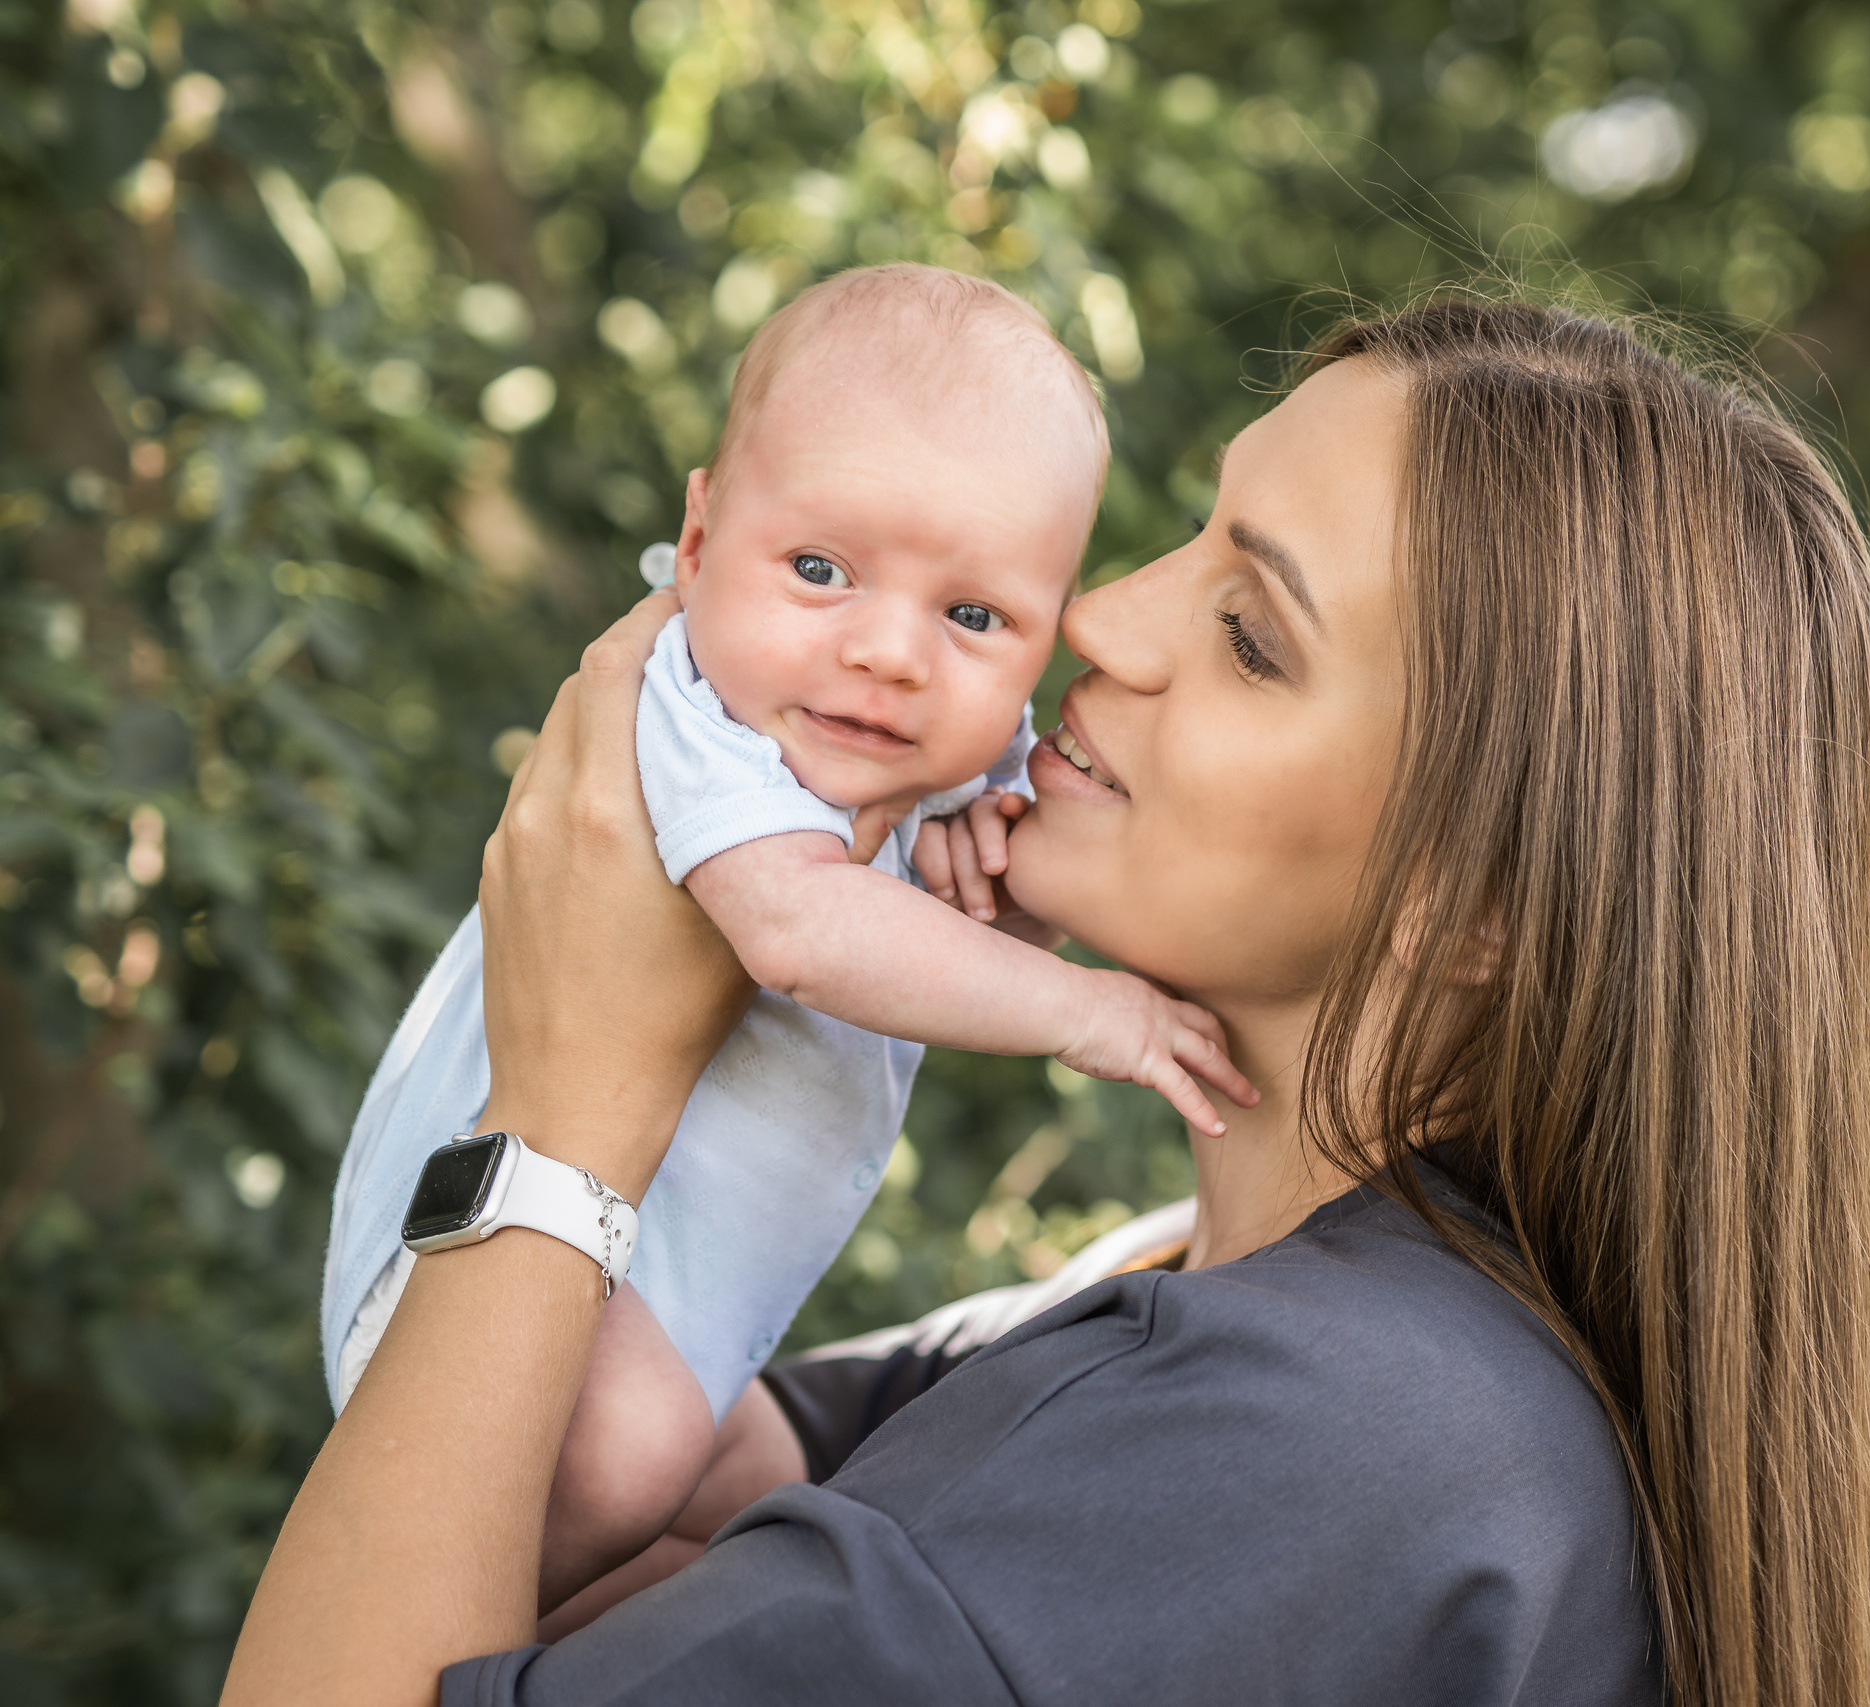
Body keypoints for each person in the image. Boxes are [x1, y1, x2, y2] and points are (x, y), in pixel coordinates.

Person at [224, 296, 1870, 1707]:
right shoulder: (1204, 1324)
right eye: (1182, 540)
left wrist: (567, 1108)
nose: (1103, 623)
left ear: (1480, 905)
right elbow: (689, 1472)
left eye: (1254, 635)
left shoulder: (1290, 1458)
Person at [316, 263, 1250, 1619]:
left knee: (755, 1490)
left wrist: (1000, 880)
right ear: (698, 540)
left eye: (973, 615)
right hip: (497, 1250)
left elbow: (925, 925)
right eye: (820, 570)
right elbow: (804, 931)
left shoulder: (928, 743)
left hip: (667, 1293)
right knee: (632, 1460)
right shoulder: (695, 713)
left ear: (1046, 628)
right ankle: (399, 1628)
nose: (888, 649)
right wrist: (1087, 1010)